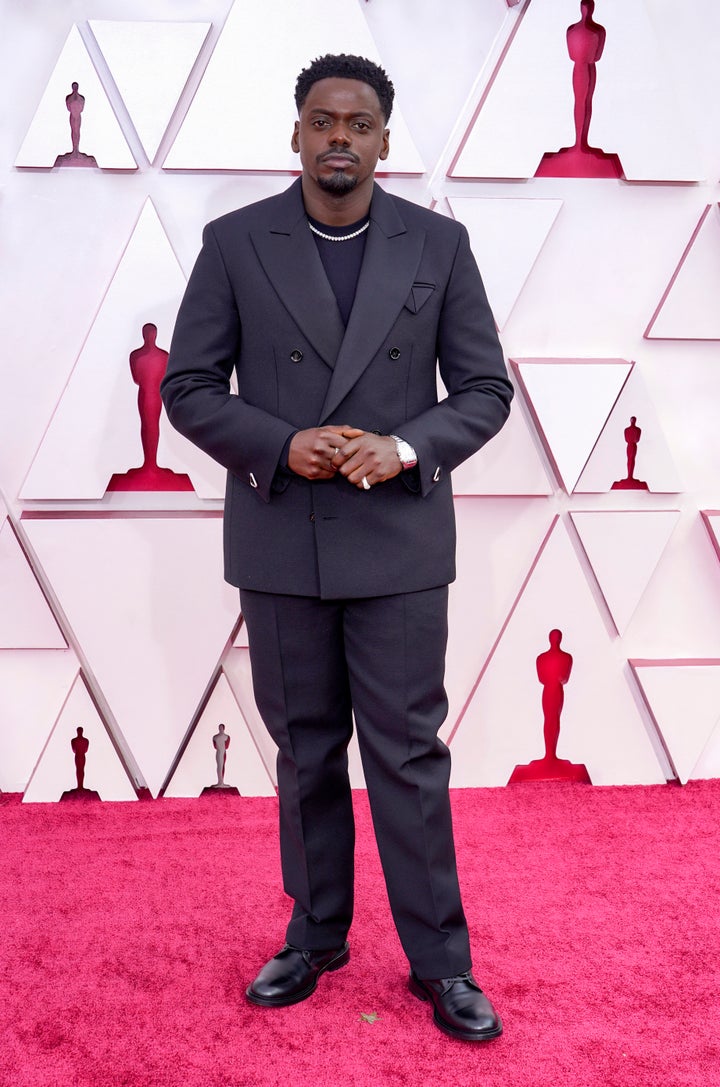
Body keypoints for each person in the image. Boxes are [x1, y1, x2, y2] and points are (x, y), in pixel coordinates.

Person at [161, 53, 513, 1042]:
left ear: (386, 141)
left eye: (359, 123)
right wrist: (283, 443)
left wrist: (403, 446)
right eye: (323, 121)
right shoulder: (235, 243)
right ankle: (315, 934)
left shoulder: (439, 247)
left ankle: (442, 964)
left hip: (399, 540)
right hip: (283, 538)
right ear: (298, 134)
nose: (340, 139)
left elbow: (485, 390)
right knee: (305, 750)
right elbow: (187, 387)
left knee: (407, 755)